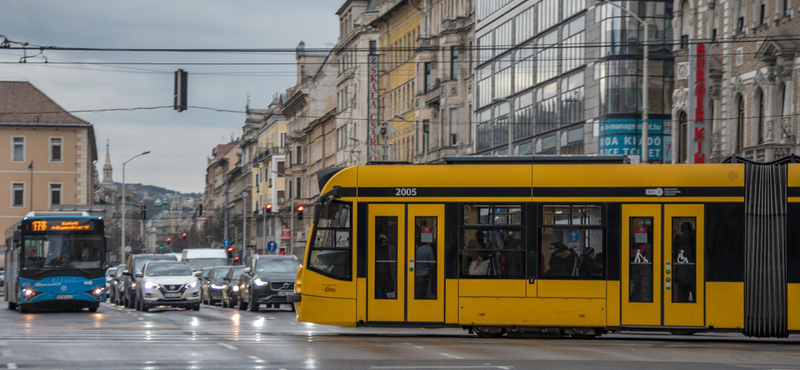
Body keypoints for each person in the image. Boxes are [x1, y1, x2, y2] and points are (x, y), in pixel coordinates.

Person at [673, 221, 696, 302]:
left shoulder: (678, 241)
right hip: (694, 275)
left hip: (681, 275)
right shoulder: (695, 241)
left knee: (682, 300)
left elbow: (675, 256)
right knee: (696, 299)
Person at [375, 233, 397, 299]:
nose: (383, 239)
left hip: (389, 277)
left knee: (390, 296)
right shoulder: (375, 249)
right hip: (378, 278)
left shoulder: (391, 248)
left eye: (384, 237)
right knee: (380, 295)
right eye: (380, 237)